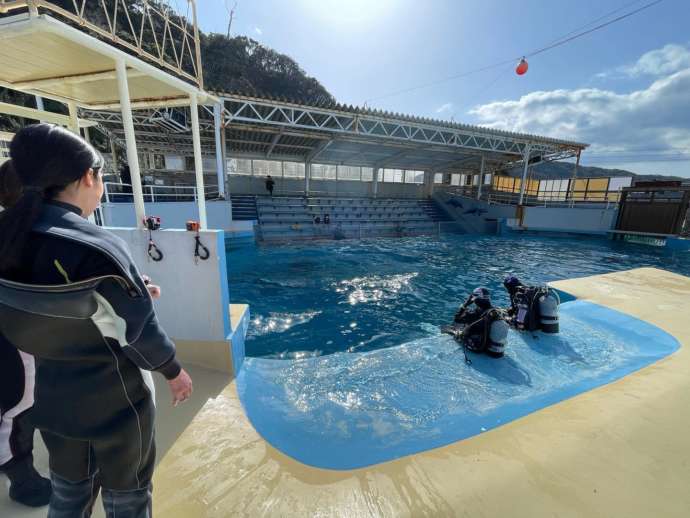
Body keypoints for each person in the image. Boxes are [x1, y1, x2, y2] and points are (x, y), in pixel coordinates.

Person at [0, 124, 193, 518]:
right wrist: (174, 371)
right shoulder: (99, 247)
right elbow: (139, 335)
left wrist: (128, 291)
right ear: (88, 176)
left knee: (69, 494)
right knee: (128, 497)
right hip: (116, 404)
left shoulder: (9, 237)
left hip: (50, 397)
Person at [0, 160, 52, 508]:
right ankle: (22, 480)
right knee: (18, 409)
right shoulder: (33, 236)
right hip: (16, 343)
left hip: (16, 338)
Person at [444, 287, 508, 359]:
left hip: (480, 349)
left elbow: (457, 319)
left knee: (446, 329)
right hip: (498, 353)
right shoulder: (494, 312)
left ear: (476, 299)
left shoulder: (476, 313)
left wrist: (465, 304)